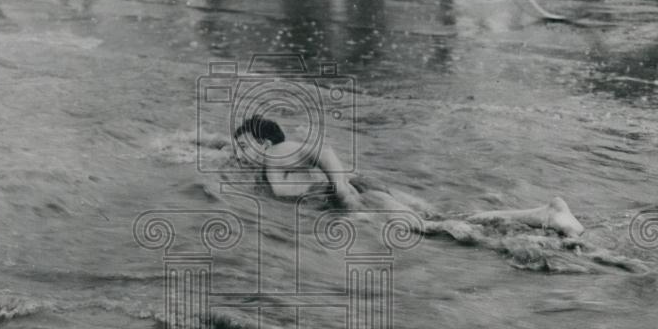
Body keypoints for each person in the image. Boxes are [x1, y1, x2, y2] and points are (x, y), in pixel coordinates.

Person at [232, 115, 585, 238]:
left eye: (243, 146)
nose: (239, 154)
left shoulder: (274, 155)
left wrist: (340, 189)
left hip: (355, 197)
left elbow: (321, 149)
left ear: (262, 142)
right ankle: (543, 214)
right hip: (362, 192)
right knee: (441, 223)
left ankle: (547, 216)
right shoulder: (273, 160)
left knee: (436, 229)